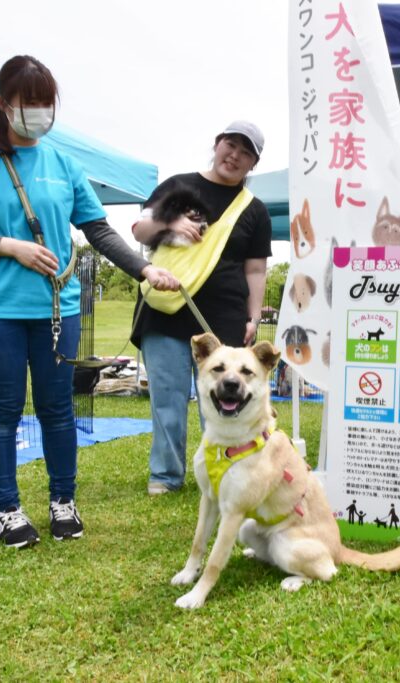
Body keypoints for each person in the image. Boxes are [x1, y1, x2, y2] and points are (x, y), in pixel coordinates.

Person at [0, 55, 179, 549]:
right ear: (4, 104)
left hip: (57, 310)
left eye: (47, 102)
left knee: (57, 410)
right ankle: (6, 510)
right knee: (1, 411)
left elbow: (98, 231)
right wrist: (8, 246)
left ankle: (62, 501)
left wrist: (145, 268)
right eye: (30, 102)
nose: (40, 112)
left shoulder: (64, 164)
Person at [131, 121, 272, 495]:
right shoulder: (180, 186)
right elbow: (139, 229)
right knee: (167, 399)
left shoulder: (254, 210)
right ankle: (166, 475)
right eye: (231, 145)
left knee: (225, 399)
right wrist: (172, 222)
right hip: (165, 310)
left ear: (253, 164)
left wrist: (253, 316)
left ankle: (224, 474)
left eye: (246, 152)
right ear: (217, 144)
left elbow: (256, 268)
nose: (235, 155)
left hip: (222, 318)